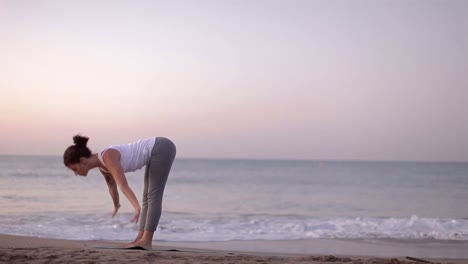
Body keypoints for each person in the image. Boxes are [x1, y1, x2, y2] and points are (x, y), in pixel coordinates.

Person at [63, 135, 176, 250]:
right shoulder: (103, 167)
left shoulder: (107, 156)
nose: (76, 173)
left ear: (82, 161)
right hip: (156, 149)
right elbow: (112, 187)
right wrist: (117, 205)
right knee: (147, 197)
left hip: (161, 147)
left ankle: (146, 241)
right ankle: (140, 238)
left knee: (153, 195)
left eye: (74, 169)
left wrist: (136, 206)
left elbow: (122, 184)